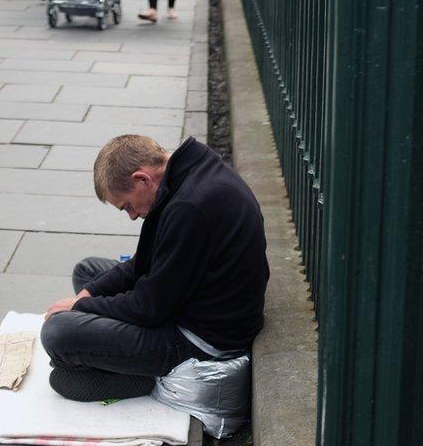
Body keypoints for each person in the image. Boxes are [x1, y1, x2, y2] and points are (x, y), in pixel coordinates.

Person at [40, 135, 269, 402]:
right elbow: (142, 265)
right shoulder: (186, 174)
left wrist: (80, 308)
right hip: (184, 302)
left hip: (200, 338)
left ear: (141, 179)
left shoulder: (189, 208)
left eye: (127, 205)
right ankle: (107, 356)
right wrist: (89, 294)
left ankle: (147, 378)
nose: (132, 215)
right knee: (88, 272)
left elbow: (149, 307)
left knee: (58, 332)